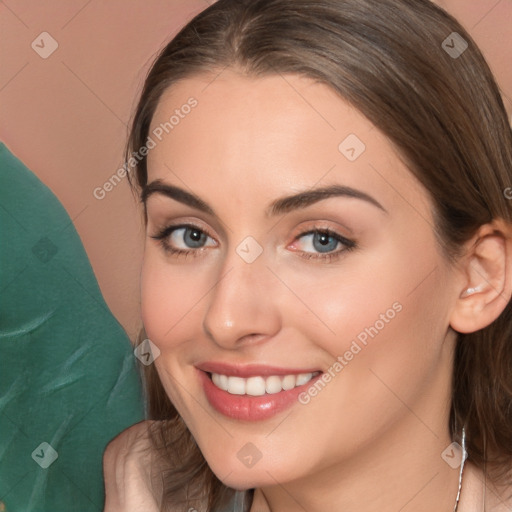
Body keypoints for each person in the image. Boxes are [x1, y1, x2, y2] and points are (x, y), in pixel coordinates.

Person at [102, 0, 512, 510]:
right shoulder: (143, 486)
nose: (227, 319)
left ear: (479, 275)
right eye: (189, 235)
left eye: (322, 240)